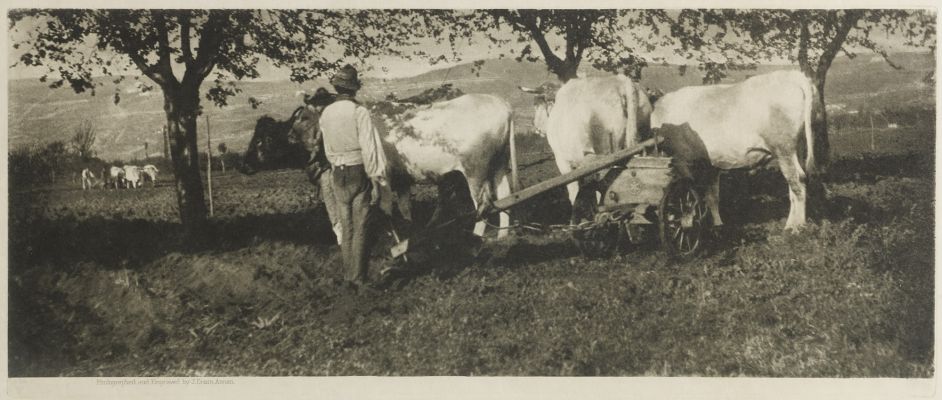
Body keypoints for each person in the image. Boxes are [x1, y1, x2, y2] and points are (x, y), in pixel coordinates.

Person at [318, 65, 388, 287]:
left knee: (345, 226)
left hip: (337, 173)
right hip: (358, 171)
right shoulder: (359, 112)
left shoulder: (326, 114)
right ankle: (358, 278)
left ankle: (348, 276)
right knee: (361, 227)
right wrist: (376, 180)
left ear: (337, 88)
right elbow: (370, 148)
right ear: (354, 89)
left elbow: (327, 149)